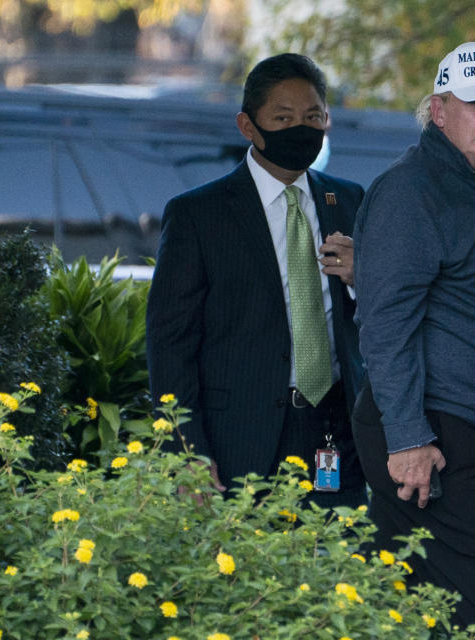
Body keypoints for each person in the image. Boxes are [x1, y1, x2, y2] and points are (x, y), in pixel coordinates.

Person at [351, 41, 475, 638]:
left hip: (470, 433)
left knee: (442, 619)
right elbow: (385, 322)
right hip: (432, 433)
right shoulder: (414, 189)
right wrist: (410, 436)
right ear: (439, 110)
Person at [146, 53, 367, 509]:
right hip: (237, 438)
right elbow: (170, 345)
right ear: (248, 126)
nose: (299, 129)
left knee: (338, 564)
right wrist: (187, 449)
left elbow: (383, 319)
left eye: (312, 117)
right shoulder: (198, 214)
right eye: (282, 118)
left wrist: (363, 278)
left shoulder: (348, 200)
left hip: (335, 429)